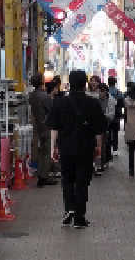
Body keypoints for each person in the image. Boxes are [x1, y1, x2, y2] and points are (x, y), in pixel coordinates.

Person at [49, 69, 106, 228]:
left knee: (67, 179)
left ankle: (69, 209)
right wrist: (99, 147)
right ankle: (79, 217)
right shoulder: (93, 103)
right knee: (82, 181)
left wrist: (53, 147)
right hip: (85, 148)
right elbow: (99, 129)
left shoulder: (60, 102)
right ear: (85, 84)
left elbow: (54, 127)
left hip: (66, 148)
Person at [28, 72, 56, 187]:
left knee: (40, 152)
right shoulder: (44, 96)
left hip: (36, 126)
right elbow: (52, 110)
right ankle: (43, 177)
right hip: (45, 125)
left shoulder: (32, 95)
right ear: (42, 82)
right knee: (46, 152)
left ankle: (41, 175)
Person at [107, 72, 123, 153]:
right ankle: (115, 149)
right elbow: (122, 103)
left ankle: (108, 148)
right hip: (116, 115)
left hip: (108, 115)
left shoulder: (106, 92)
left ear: (108, 82)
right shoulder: (118, 92)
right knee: (115, 132)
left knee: (108, 132)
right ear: (115, 83)